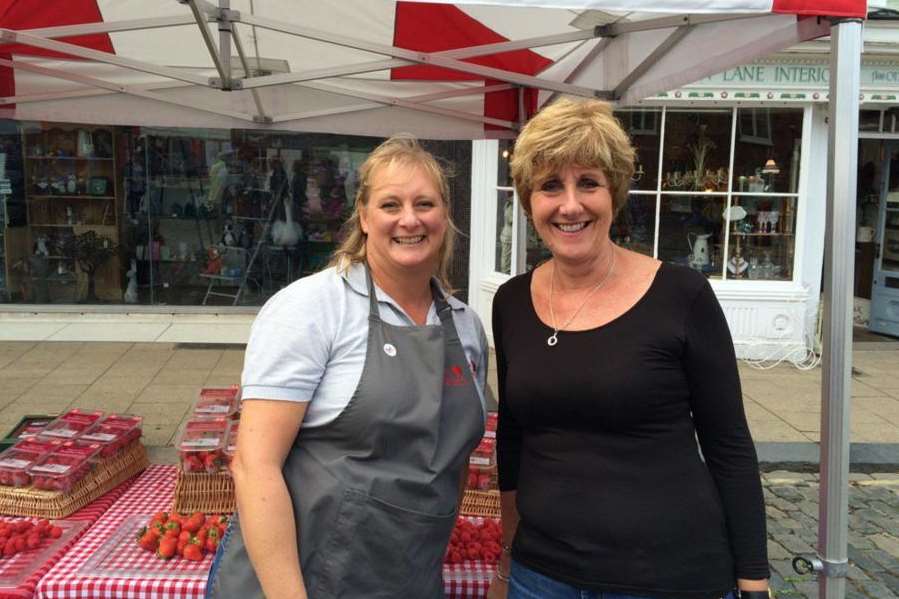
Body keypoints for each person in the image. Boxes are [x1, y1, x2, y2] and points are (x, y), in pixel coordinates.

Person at [487, 98, 770, 599]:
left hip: (667, 578)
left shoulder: (682, 296)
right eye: (551, 185)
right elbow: (512, 439)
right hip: (541, 576)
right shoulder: (512, 301)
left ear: (614, 194)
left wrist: (753, 581)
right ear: (528, 201)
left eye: (588, 183)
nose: (570, 205)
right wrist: (509, 556)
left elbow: (729, 446)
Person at [206, 135, 488, 599]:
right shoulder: (312, 308)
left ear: (445, 216)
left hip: (409, 579)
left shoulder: (468, 328)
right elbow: (255, 466)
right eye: (390, 204)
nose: (409, 219)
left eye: (425, 203)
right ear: (363, 215)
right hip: (303, 579)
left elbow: (450, 464)